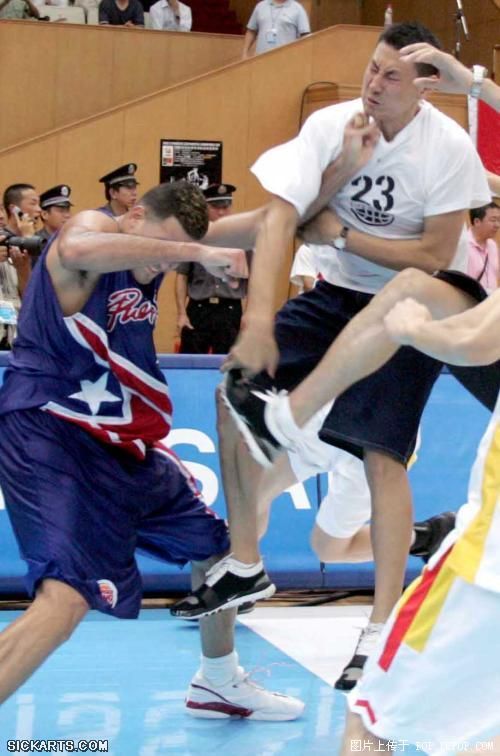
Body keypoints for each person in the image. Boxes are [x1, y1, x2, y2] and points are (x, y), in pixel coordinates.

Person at [172, 22, 491, 692]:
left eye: (392, 76)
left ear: (425, 86)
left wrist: (343, 233)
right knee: (233, 388)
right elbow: (282, 218)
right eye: (372, 69)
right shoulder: (331, 125)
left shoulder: (447, 146)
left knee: (380, 455)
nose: (374, 84)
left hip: (420, 302)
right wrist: (338, 172)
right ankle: (245, 561)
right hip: (336, 295)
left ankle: (379, 630)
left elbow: (434, 256)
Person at [0, 180, 304, 720]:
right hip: (50, 430)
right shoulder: (92, 230)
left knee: (219, 552)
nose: (158, 264)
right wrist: (193, 251)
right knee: (65, 599)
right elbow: (76, 246)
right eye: (158, 246)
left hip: (121, 439)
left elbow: (269, 221)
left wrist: (334, 185)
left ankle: (217, 682)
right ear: (135, 217)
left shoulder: (155, 249)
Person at [175, 183, 250, 354]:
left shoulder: (242, 239)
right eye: (216, 207)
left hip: (229, 309)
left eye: (226, 206)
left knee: (228, 363)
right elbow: (182, 276)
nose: (221, 212)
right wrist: (181, 313)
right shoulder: (192, 236)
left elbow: (252, 279)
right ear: (205, 208)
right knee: (191, 361)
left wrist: (249, 313)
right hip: (199, 309)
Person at [242, 0, 310, 59]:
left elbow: (305, 37)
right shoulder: (260, 6)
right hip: (260, 59)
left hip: (286, 60)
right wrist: (244, 53)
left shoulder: (298, 9)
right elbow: (251, 31)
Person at [467, 202, 500, 294]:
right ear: (477, 221)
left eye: (499, 220)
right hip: (471, 301)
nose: (497, 225)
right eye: (493, 220)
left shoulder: (493, 245)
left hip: (490, 301)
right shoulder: (463, 246)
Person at [37, 184, 73, 263]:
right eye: (61, 211)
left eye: (68, 210)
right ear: (44, 214)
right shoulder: (37, 242)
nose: (67, 215)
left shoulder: (72, 240)